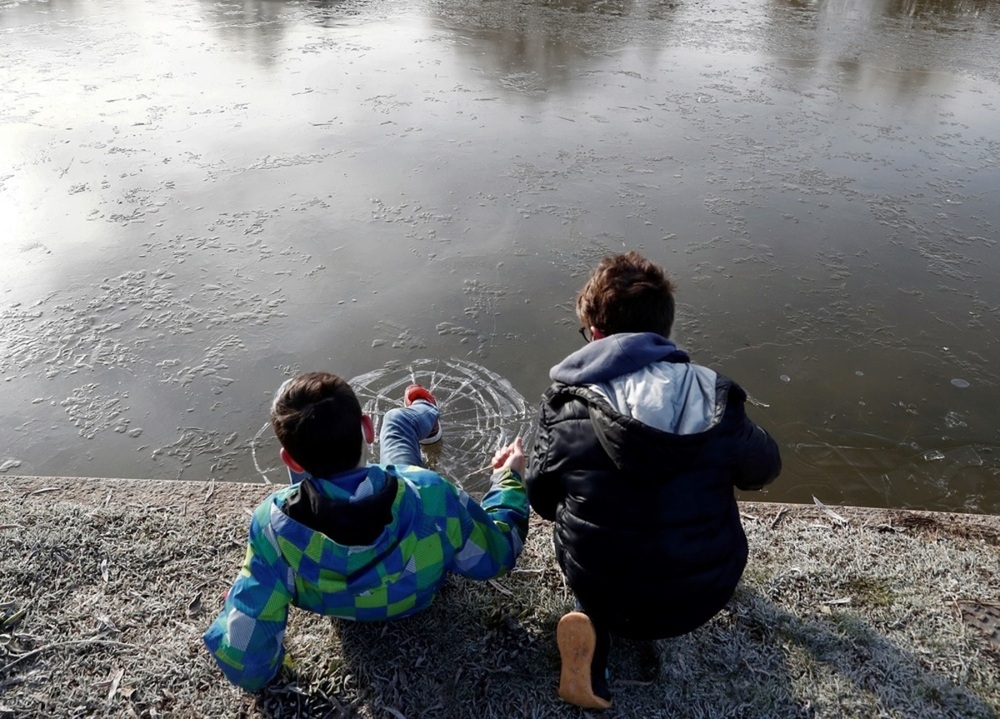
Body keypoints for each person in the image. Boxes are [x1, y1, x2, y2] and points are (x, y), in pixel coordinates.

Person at [525, 251, 781, 709]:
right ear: (664, 329)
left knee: (577, 526)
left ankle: (595, 645)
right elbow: (764, 469)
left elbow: (542, 499)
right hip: (705, 597)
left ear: (596, 334)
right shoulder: (717, 398)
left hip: (608, 592)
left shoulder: (565, 407)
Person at [204, 371, 529, 691]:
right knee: (397, 423)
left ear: (291, 461)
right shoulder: (430, 495)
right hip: (414, 597)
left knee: (302, 459)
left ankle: (320, 454)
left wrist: (244, 606)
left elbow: (245, 658)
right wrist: (507, 481)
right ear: (366, 429)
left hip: (336, 602)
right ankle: (427, 413)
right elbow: (497, 554)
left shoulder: (272, 528)